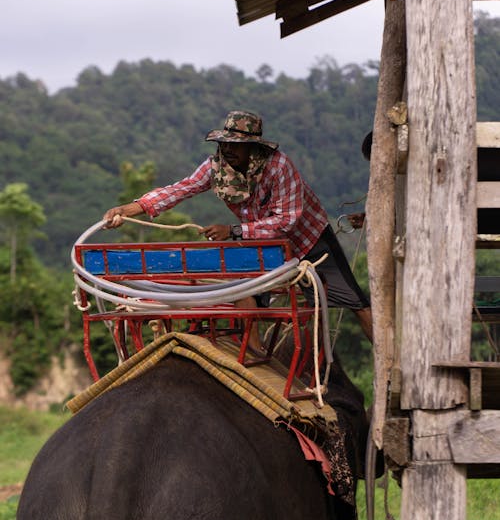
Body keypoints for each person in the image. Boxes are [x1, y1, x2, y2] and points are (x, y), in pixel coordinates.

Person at [103, 110, 373, 350]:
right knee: (245, 290)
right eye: (224, 143)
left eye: (236, 145)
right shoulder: (216, 167)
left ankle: (387, 359)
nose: (228, 149)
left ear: (253, 148)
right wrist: (128, 209)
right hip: (258, 243)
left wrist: (234, 231)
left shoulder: (279, 168)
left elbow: (286, 221)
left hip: (308, 240)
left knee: (354, 301)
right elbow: (180, 189)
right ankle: (254, 354)